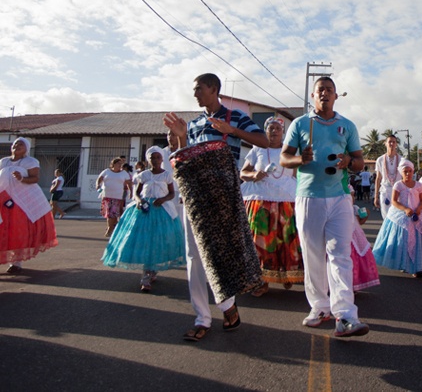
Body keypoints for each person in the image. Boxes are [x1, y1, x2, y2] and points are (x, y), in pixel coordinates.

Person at [163, 73, 268, 341]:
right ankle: (202, 318)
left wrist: (230, 130)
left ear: (214, 89)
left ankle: (227, 304)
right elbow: (185, 157)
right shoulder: (195, 124)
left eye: (199, 88)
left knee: (223, 254)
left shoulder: (236, 117)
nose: (195, 93)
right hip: (195, 197)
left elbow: (264, 141)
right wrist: (180, 139)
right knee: (194, 258)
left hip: (224, 197)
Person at [281, 76, 369, 338]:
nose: (325, 94)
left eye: (329, 90)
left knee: (340, 255)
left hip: (340, 197)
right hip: (308, 197)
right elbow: (284, 158)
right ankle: (319, 307)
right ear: (312, 95)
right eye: (320, 90)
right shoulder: (300, 124)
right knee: (313, 255)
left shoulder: (347, 125)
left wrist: (347, 162)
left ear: (335, 96)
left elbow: (360, 162)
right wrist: (299, 158)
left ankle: (346, 316)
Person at [102, 146, 185, 292]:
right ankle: (145, 278)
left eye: (158, 157)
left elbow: (172, 193)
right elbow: (137, 193)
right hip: (144, 211)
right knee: (145, 241)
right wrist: (139, 201)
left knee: (157, 241)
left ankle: (152, 270)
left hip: (162, 210)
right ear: (149, 160)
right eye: (153, 158)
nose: (156, 160)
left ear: (162, 159)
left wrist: (163, 199)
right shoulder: (144, 175)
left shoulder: (167, 175)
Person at [240, 116, 303, 296]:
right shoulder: (257, 149)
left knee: (288, 241)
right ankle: (261, 282)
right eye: (270, 128)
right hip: (261, 202)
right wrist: (254, 175)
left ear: (283, 132)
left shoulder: (291, 151)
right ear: (265, 131)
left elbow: (298, 176)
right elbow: (243, 172)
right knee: (260, 243)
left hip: (287, 202)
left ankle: (287, 276)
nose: (274, 131)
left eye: (277, 128)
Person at [373, 159, 422, 278]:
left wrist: (420, 209)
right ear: (401, 172)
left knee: (420, 239)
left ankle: (418, 267)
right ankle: (405, 264)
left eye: (410, 171)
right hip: (402, 213)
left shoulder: (418, 185)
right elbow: (394, 201)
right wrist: (405, 209)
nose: (408, 174)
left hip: (417, 213)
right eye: (405, 171)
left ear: (413, 171)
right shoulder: (398, 185)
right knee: (404, 239)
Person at [0, 137, 58, 274]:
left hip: (22, 201)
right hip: (4, 199)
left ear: (26, 148)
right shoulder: (3, 161)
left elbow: (35, 179)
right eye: (15, 144)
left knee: (18, 230)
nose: (17, 146)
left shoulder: (30, 161)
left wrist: (21, 178)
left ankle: (16, 262)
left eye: (21, 144)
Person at [349, 187, 380, 291]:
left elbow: (360, 221)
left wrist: (366, 215)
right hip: (346, 239)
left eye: (352, 195)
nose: (351, 198)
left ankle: (355, 284)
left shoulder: (354, 208)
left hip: (356, 238)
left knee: (356, 260)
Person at [96, 157, 133, 237]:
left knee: (114, 213)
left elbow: (128, 183)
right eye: (118, 163)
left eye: (121, 164)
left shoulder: (123, 173)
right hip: (107, 195)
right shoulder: (107, 171)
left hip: (117, 196)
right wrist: (97, 185)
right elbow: (100, 178)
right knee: (109, 213)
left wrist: (131, 192)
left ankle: (110, 228)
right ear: (113, 164)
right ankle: (112, 227)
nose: (120, 165)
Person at [374, 135, 404, 219]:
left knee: (398, 217)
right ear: (385, 143)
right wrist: (376, 196)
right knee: (386, 217)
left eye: (394, 142)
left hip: (398, 191)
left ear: (396, 144)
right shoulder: (380, 160)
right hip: (385, 191)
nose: (391, 144)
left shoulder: (402, 160)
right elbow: (378, 178)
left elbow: (404, 178)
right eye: (389, 142)